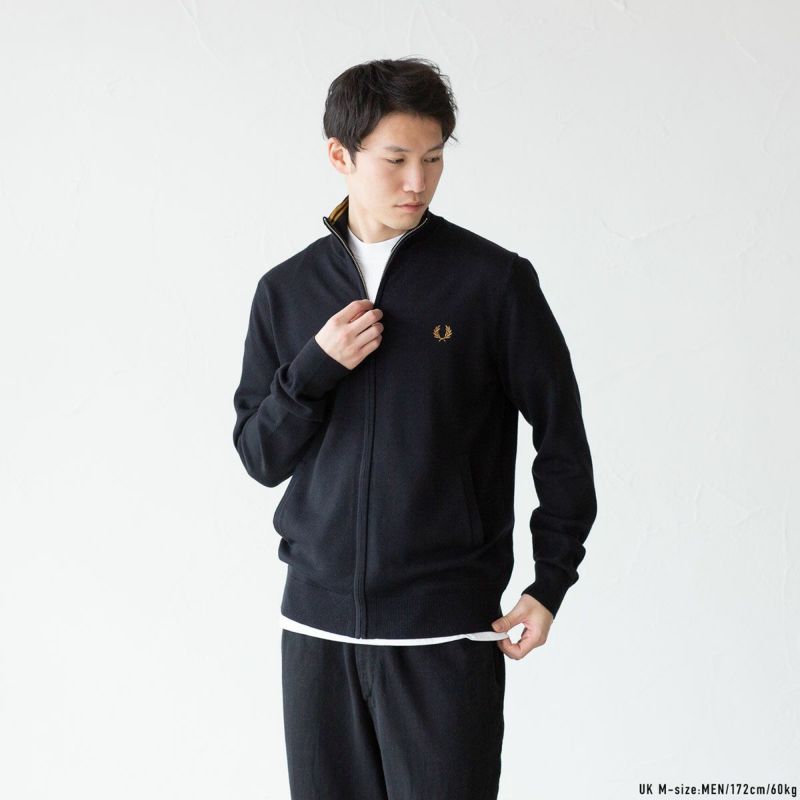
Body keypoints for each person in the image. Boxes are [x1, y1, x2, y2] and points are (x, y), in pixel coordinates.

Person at [232, 56, 597, 800]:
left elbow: (562, 436)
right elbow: (260, 455)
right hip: (317, 633)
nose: (418, 182)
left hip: (444, 633)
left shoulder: (493, 282)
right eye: (395, 159)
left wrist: (550, 582)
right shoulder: (286, 290)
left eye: (433, 159)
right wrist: (314, 368)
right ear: (341, 156)